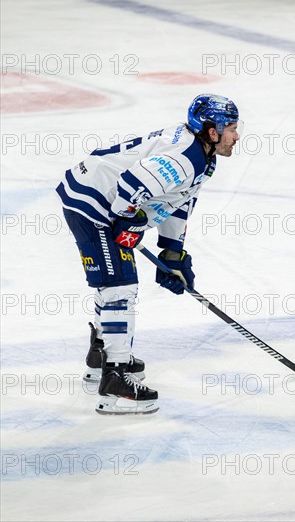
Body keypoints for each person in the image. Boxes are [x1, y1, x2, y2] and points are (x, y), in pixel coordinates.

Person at [56, 94, 242, 415]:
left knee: (118, 284)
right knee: (119, 286)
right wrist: (130, 219)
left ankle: (100, 358)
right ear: (212, 132)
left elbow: (179, 200)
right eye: (232, 129)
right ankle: (113, 380)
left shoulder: (203, 157)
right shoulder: (187, 157)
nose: (236, 136)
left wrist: (172, 251)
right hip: (94, 203)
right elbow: (131, 184)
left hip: (95, 194)